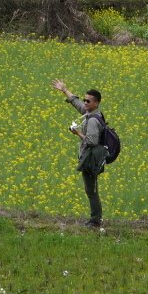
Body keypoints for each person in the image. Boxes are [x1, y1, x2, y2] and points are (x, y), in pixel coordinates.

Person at [51, 79, 108, 227]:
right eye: (85, 100)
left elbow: (91, 141)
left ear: (96, 103)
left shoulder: (93, 121)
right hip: (90, 157)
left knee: (91, 190)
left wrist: (77, 133)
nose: (85, 103)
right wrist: (64, 90)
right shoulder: (92, 113)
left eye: (88, 101)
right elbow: (76, 103)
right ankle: (95, 219)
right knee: (91, 189)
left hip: (91, 159)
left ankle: (95, 221)